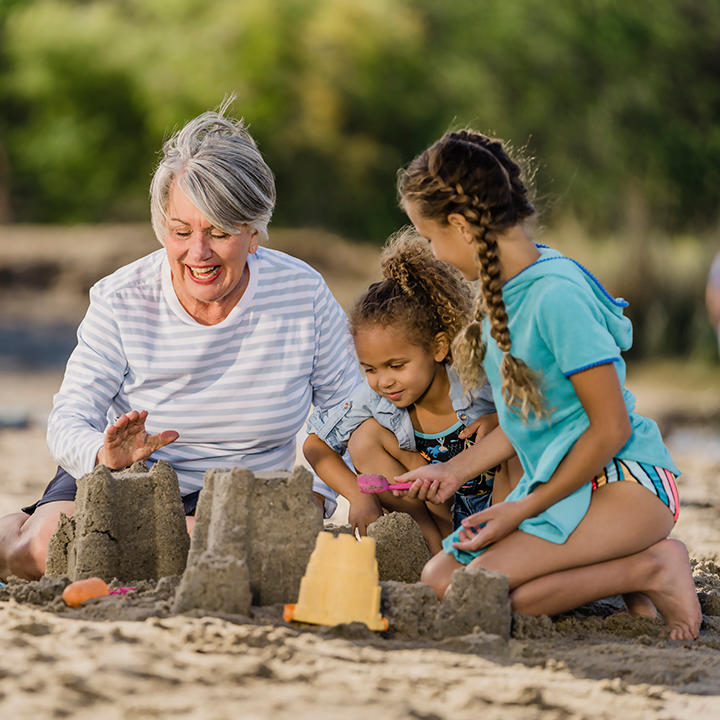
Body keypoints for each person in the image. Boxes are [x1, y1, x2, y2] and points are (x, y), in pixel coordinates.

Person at [0, 100, 361, 581]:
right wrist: (102, 456)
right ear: (162, 228)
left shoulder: (303, 293)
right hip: (126, 485)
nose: (199, 252)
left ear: (253, 234)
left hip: (245, 497)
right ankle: (19, 526)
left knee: (210, 551)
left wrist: (317, 496)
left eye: (218, 232)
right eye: (181, 230)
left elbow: (349, 409)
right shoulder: (120, 297)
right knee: (44, 551)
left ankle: (174, 537)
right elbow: (69, 417)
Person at [394, 129, 701, 640]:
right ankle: (631, 574)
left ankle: (651, 568)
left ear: (460, 225)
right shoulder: (505, 291)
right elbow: (535, 420)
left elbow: (609, 428)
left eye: (430, 239)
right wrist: (454, 469)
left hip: (623, 484)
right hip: (564, 486)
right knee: (443, 579)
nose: (436, 254)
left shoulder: (556, 296)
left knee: (481, 594)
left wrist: (520, 508)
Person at [304, 229, 521, 553]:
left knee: (514, 439)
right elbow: (315, 445)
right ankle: (434, 550)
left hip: (500, 508)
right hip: (440, 514)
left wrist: (501, 421)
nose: (383, 381)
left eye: (397, 365)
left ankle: (504, 550)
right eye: (371, 369)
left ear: (438, 347)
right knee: (365, 437)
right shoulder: (375, 397)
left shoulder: (479, 382)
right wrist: (358, 495)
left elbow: (538, 414)